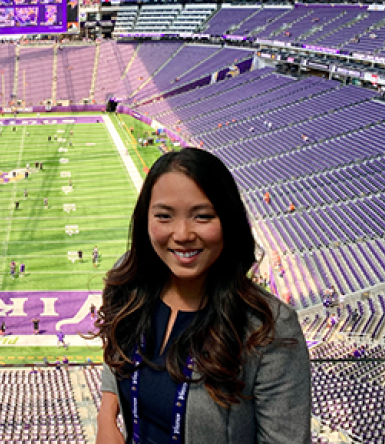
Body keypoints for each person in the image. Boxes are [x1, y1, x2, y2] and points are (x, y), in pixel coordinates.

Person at [93, 148, 310, 444]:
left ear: (229, 221)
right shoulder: (128, 282)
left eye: (203, 216)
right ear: (145, 219)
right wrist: (106, 416)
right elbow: (117, 345)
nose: (182, 234)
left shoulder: (269, 327)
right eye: (164, 216)